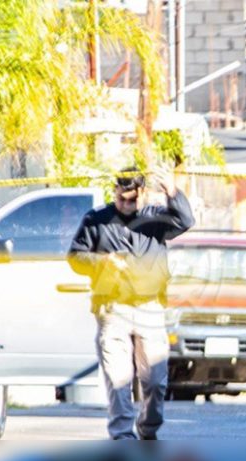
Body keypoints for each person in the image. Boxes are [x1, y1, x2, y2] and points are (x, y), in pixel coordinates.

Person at [68, 167, 195, 440]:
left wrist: (173, 191)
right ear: (114, 192)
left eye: (132, 200)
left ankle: (148, 428)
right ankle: (122, 436)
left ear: (143, 195)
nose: (126, 205)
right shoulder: (96, 220)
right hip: (113, 309)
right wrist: (101, 261)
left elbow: (186, 220)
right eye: (121, 198)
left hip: (150, 308)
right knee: (118, 379)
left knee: (155, 381)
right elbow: (75, 257)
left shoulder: (157, 218)